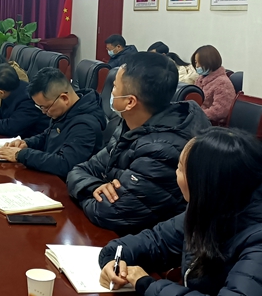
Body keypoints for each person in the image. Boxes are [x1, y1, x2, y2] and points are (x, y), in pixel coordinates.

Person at [98, 128, 262, 296]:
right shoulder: (208, 209)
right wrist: (113, 259)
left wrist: (146, 284)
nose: (176, 174)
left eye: (180, 168)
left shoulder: (257, 241)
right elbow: (155, 241)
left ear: (203, 183)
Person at [66, 52, 210, 235]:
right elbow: (81, 169)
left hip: (147, 245)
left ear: (130, 101)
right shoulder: (131, 125)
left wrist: (83, 191)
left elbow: (110, 213)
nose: (111, 92)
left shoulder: (163, 150)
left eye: (115, 86)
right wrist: (93, 187)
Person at [0, 68, 106, 180]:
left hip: (64, 185)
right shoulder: (67, 110)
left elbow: (65, 164)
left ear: (64, 98)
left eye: (45, 107)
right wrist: (26, 143)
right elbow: (47, 135)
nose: (43, 112)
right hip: (49, 176)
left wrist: (22, 155)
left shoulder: (85, 126)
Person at [0, 63, 48, 139]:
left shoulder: (28, 100)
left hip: (32, 141)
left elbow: (12, 127)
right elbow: (2, 111)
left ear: (1, 92)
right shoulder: (12, 88)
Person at [191, 45, 236, 124]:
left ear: (208, 62)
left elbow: (220, 111)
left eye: (198, 62)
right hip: (197, 119)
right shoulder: (200, 79)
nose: (197, 66)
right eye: (195, 62)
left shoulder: (223, 83)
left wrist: (197, 115)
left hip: (212, 124)